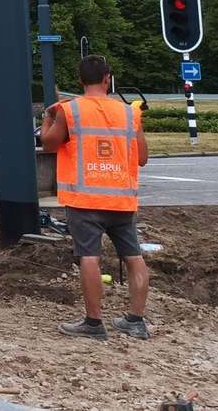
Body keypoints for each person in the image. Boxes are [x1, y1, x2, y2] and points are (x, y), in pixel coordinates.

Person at [40, 55, 151, 341]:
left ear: (80, 80)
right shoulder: (129, 113)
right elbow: (142, 158)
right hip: (121, 201)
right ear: (107, 79)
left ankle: (93, 324)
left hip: (84, 200)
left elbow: (49, 143)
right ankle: (136, 321)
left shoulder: (70, 110)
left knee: (89, 258)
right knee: (134, 257)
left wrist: (49, 114)